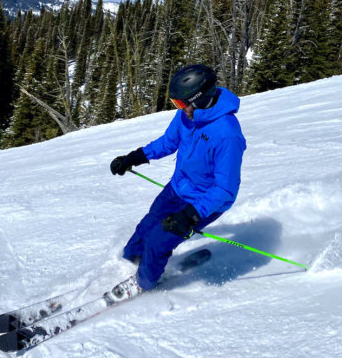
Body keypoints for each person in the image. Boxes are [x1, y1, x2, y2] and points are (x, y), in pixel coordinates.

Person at [105, 64, 246, 303]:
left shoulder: (228, 134)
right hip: (177, 188)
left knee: (160, 240)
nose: (179, 109)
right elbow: (168, 142)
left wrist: (190, 215)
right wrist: (134, 158)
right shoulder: (187, 116)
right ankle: (129, 264)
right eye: (176, 104)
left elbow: (225, 190)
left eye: (182, 104)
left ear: (200, 99)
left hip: (203, 202)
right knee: (146, 227)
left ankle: (143, 283)